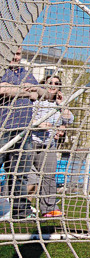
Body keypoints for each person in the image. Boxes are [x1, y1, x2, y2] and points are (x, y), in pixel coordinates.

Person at [0, 47, 43, 220]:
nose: (15, 57)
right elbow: (2, 90)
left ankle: (20, 211)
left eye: (17, 54)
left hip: (24, 131)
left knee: (20, 174)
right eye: (12, 54)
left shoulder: (26, 73)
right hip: (2, 129)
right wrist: (26, 91)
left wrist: (34, 90)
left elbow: (41, 92)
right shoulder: (2, 68)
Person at [31, 76, 73, 218]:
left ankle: (49, 208)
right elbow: (26, 117)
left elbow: (68, 119)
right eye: (50, 83)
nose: (53, 85)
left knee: (48, 177)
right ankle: (15, 207)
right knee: (28, 179)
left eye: (56, 83)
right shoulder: (36, 100)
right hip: (29, 142)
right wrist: (39, 124)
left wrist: (62, 104)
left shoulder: (58, 105)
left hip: (48, 145)